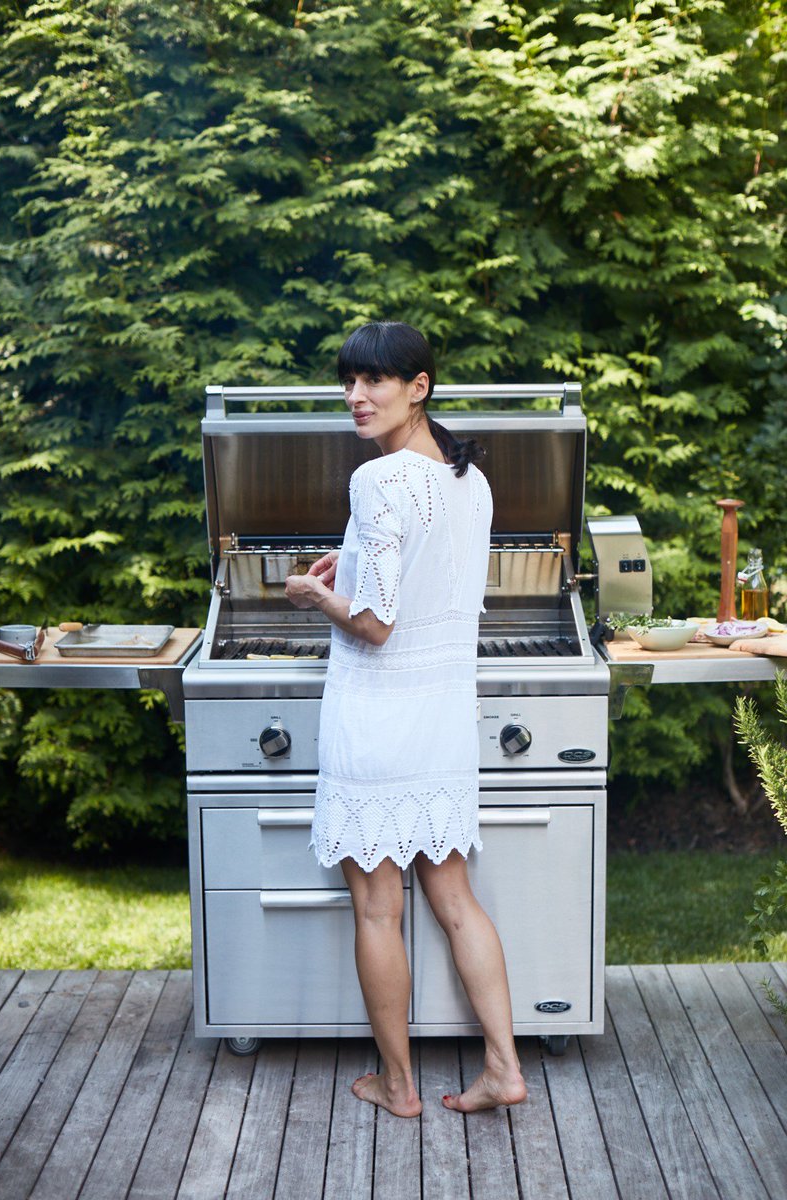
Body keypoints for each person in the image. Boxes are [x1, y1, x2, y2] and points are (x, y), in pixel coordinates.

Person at [285, 321, 527, 1118]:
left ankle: (397, 1086)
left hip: (380, 719)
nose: (356, 398)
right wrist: (346, 563)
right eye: (349, 382)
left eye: (375, 382)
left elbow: (377, 624)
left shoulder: (380, 478)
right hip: (443, 719)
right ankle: (502, 1068)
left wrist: (321, 596)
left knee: (377, 908)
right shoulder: (467, 479)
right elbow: (419, 581)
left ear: (418, 385)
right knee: (456, 900)